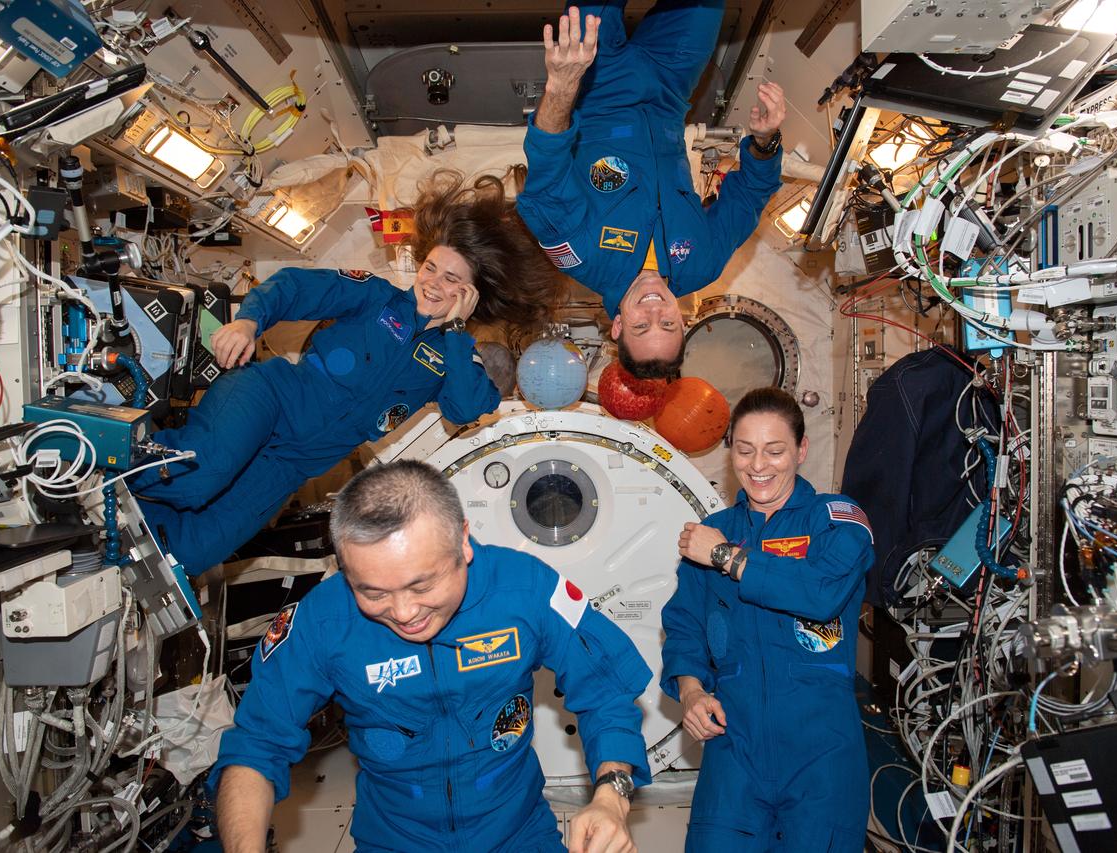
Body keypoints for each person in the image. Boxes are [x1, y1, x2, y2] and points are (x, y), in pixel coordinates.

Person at [211, 460, 651, 853]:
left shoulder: (526, 590)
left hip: (519, 834)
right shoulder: (322, 621)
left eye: (422, 586)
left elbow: (605, 690)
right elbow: (256, 746)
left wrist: (611, 796)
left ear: (462, 542)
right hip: (394, 840)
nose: (404, 614)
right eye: (373, 591)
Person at [132, 175, 559, 575]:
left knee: (191, 552)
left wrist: (455, 331)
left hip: (291, 463)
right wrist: (249, 321)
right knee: (198, 477)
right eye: (430, 267)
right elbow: (296, 287)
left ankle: (108, 538)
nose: (432, 283)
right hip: (270, 399)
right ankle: (100, 458)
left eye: (451, 280)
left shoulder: (456, 355)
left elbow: (465, 408)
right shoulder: (375, 296)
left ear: (470, 294)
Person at [517, 2, 786, 380]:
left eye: (641, 326)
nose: (655, 311)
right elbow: (750, 195)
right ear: (683, 320)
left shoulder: (581, 257)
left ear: (617, 326)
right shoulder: (701, 264)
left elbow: (546, 169)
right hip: (671, 89)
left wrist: (562, 84)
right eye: (668, 325)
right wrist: (765, 143)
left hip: (598, 82)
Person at [660, 388, 873, 851]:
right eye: (745, 449)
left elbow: (820, 594)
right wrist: (692, 690)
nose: (759, 465)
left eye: (775, 451)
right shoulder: (719, 526)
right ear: (730, 450)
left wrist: (723, 556)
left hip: (821, 756)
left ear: (801, 450)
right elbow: (684, 626)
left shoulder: (837, 520)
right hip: (735, 752)